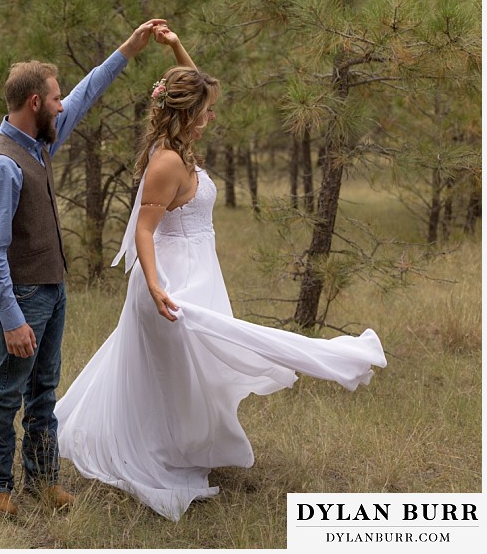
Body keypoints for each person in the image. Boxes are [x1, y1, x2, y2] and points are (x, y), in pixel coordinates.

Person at [54, 26, 387, 520]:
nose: (212, 116)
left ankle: (190, 445)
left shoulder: (184, 143)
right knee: (177, 372)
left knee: (198, 372)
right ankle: (162, 454)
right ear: (187, 116)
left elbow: (200, 87)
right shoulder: (167, 162)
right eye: (205, 111)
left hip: (199, 272)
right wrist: (153, 285)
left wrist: (174, 49)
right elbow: (145, 230)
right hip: (172, 279)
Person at [0, 18, 168, 517]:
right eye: (54, 99)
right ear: (35, 103)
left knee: (44, 391)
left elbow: (82, 97)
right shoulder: (2, 165)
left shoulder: (37, 144)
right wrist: (12, 318)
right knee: (8, 391)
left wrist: (127, 49)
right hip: (24, 298)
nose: (62, 106)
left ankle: (42, 480)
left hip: (52, 291)